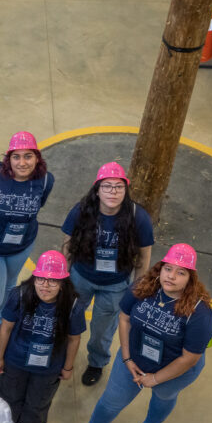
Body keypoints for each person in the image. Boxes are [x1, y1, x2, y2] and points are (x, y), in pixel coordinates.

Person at [64, 244, 212, 423]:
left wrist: (155, 378)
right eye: (168, 269)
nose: (171, 276)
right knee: (111, 401)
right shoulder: (144, 287)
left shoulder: (200, 312)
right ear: (160, 269)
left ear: (190, 278)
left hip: (175, 370)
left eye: (180, 273)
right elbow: (124, 317)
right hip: (134, 359)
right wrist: (126, 357)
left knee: (164, 397)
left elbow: (190, 357)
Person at [61, 162, 153, 386]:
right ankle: (62, 354)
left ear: (125, 190)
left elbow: (144, 258)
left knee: (103, 329)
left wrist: (137, 290)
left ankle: (97, 362)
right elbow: (67, 244)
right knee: (67, 317)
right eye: (107, 186)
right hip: (81, 277)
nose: (113, 191)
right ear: (97, 189)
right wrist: (63, 277)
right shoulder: (82, 210)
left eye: (118, 187)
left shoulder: (137, 217)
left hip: (116, 284)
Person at [0, 131, 54, 343]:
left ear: (37, 158)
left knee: (10, 283)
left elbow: (38, 205)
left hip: (22, 244)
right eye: (16, 156)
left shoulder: (45, 180)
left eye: (28, 156)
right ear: (8, 158)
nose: (22, 162)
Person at [0, 251, 86, 423]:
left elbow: (74, 338)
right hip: (16, 361)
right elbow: (6, 327)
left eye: (53, 281)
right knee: (10, 397)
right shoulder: (19, 295)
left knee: (37, 403)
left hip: (48, 367)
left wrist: (68, 367)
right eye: (41, 279)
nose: (45, 285)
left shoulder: (73, 306)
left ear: (63, 283)